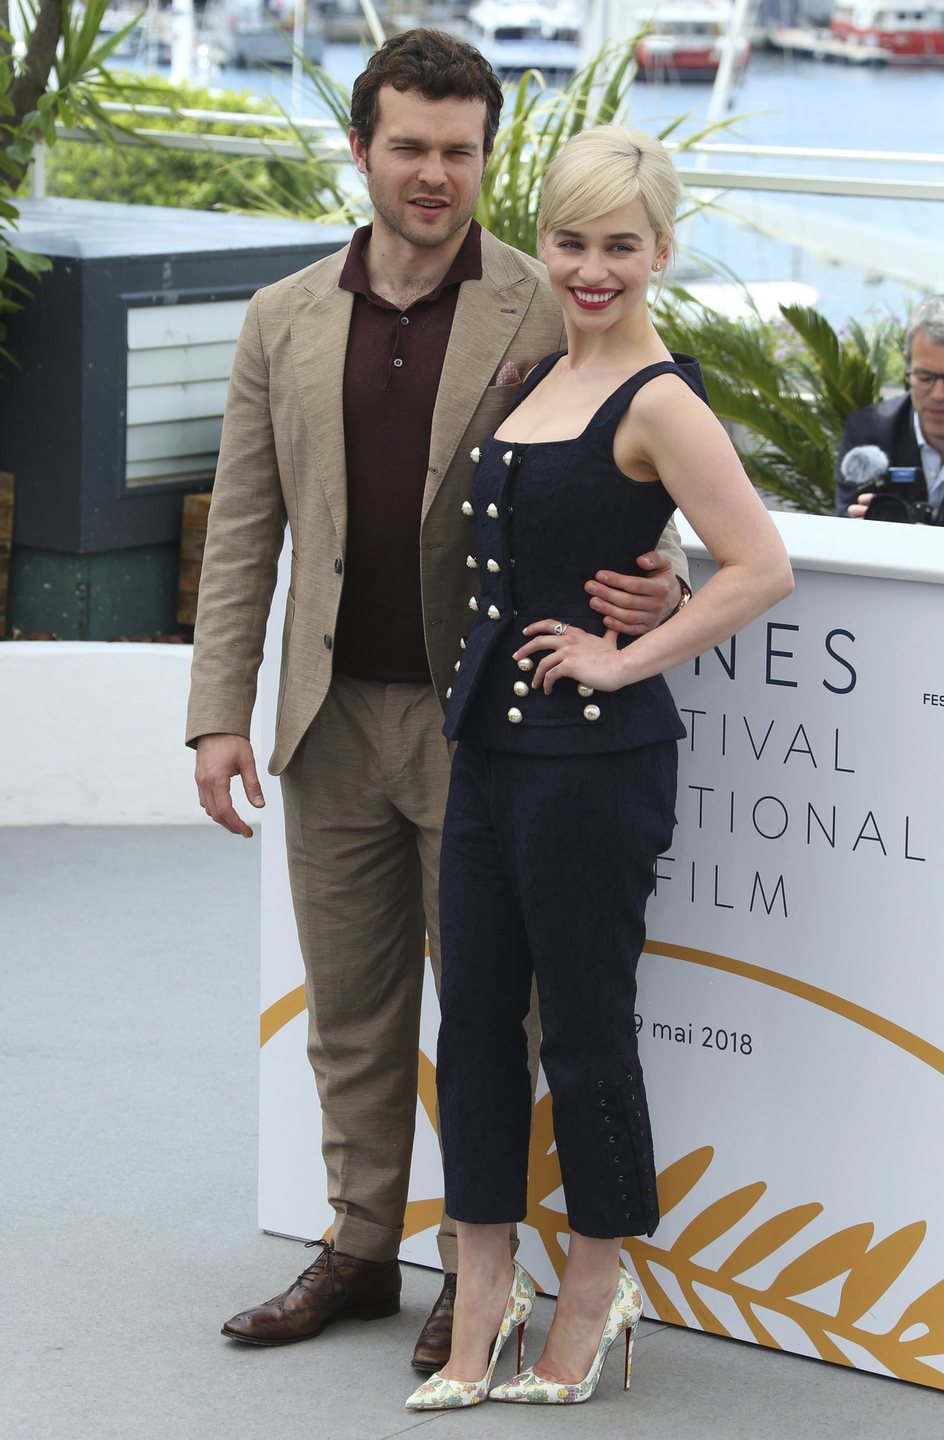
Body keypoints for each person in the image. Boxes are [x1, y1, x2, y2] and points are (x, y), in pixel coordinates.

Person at [185, 31, 692, 1368]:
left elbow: (644, 446)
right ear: (361, 148)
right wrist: (216, 710)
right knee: (351, 1011)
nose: (432, 174)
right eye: (407, 145)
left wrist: (664, 580)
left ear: (486, 159)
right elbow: (244, 528)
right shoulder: (280, 317)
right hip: (328, 717)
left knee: (497, 1018)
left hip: (492, 722)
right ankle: (356, 1252)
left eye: (459, 152)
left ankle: (489, 1283)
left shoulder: (543, 301)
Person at [405, 124, 793, 1412]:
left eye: (619, 246)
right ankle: (478, 1288)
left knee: (583, 1032)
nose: (591, 267)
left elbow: (760, 566)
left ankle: (594, 1286)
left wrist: (631, 657)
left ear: (661, 253)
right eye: (571, 241)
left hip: (594, 765)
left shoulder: (664, 401)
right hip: (492, 752)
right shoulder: (530, 377)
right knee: (472, 1033)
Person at [835, 295, 944, 521]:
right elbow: (845, 527)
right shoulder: (868, 432)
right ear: (907, 364)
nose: (938, 395)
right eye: (924, 377)